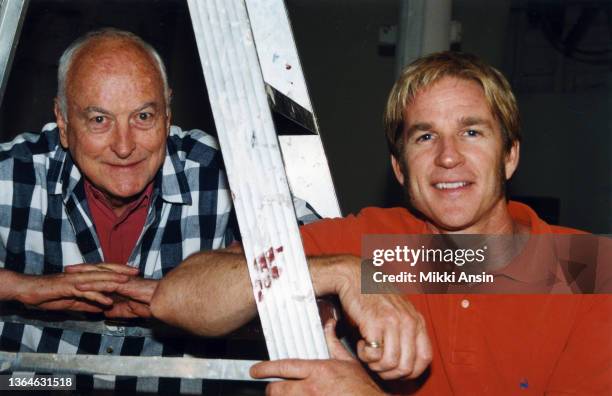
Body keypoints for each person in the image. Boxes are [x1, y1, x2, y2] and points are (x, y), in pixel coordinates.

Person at [151, 51, 611, 394]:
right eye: (424, 136)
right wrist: (341, 271)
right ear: (399, 169)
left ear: (510, 156)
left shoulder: (587, 271)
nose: (448, 157)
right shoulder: (376, 246)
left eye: (472, 132)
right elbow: (178, 298)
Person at [0, 28, 320, 394]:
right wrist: (23, 288)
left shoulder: (222, 174)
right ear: (62, 120)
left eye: (144, 116)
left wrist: (195, 295)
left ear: (168, 114)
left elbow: (344, 255)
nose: (124, 146)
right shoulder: (15, 171)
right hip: (38, 385)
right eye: (99, 120)